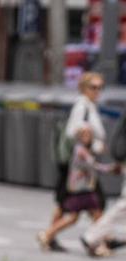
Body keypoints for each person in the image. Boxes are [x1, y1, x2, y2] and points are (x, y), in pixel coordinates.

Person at [41, 71, 106, 251]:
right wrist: (91, 142)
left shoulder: (90, 106)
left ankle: (50, 236)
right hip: (78, 167)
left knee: (67, 205)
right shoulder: (82, 106)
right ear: (83, 88)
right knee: (92, 204)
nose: (97, 91)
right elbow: (72, 132)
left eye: (100, 87)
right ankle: (99, 240)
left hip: (80, 167)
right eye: (93, 87)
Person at [39, 125, 117, 252]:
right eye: (84, 135)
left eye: (89, 134)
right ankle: (98, 243)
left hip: (84, 188)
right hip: (82, 190)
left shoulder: (84, 149)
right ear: (79, 137)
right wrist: (112, 169)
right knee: (80, 216)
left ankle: (102, 241)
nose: (87, 137)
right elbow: (93, 166)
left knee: (91, 215)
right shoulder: (80, 151)